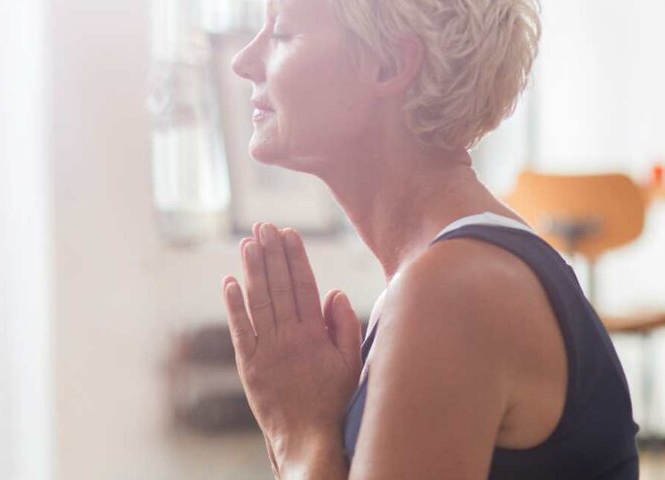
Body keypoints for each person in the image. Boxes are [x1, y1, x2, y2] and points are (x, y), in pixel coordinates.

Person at [221, 0, 639, 478]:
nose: (243, 61)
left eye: (283, 33)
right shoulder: (447, 276)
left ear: (390, 65)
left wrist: (298, 433)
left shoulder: (452, 292)